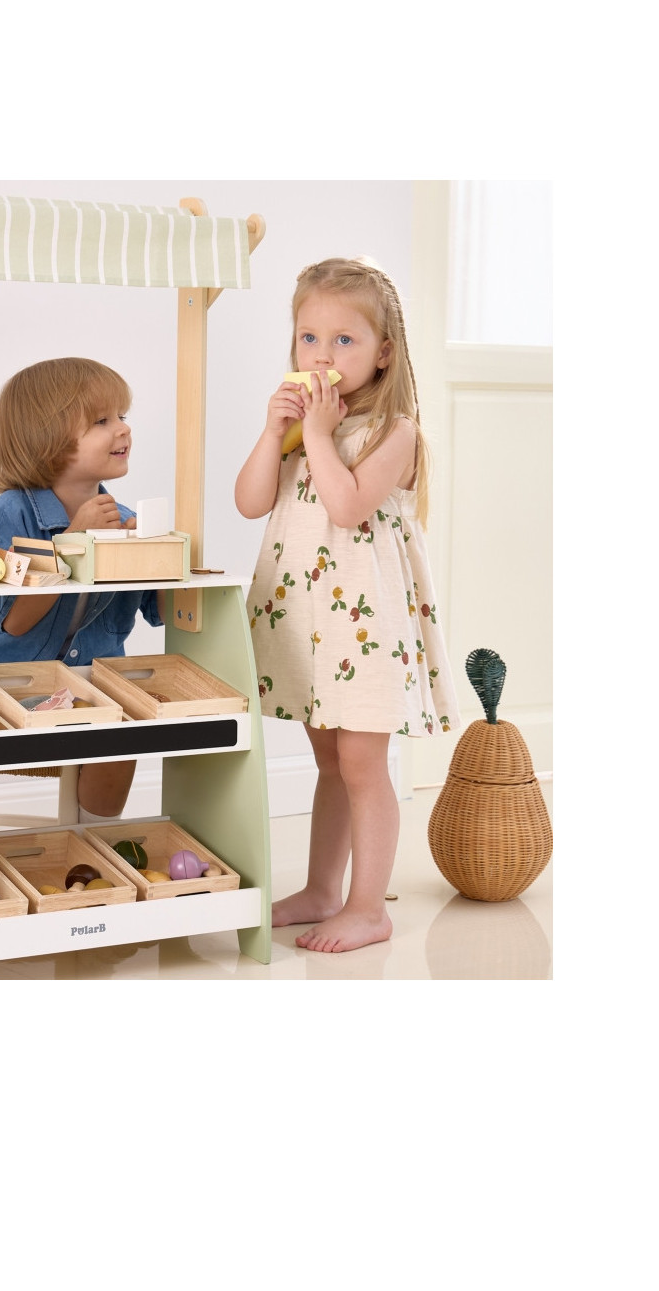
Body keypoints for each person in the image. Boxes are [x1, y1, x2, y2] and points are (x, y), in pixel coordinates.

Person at [235, 258, 459, 952]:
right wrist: (274, 434)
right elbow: (249, 502)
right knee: (330, 762)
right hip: (310, 621)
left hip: (364, 627)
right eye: (309, 338)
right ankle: (322, 888)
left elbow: (348, 506)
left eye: (344, 340)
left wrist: (319, 437)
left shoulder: (395, 430)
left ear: (383, 351)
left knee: (362, 764)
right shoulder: (304, 424)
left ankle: (369, 908)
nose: (322, 356)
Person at [0, 356, 164, 834]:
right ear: (47, 438)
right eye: (101, 420)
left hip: (84, 684)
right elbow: (16, 621)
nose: (123, 429)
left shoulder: (123, 518)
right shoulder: (11, 513)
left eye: (122, 416)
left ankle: (94, 845)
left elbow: (163, 610)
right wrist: (72, 541)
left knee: (124, 737)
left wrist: (155, 552)